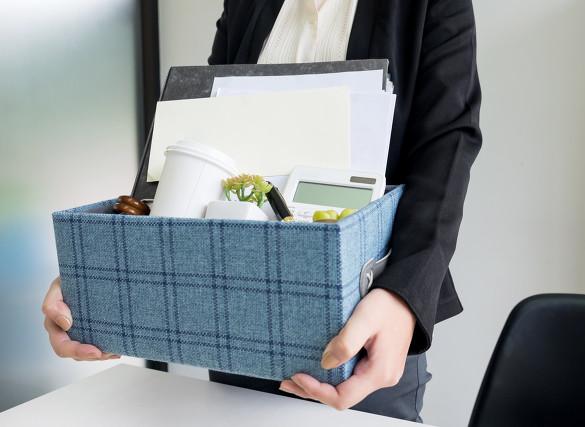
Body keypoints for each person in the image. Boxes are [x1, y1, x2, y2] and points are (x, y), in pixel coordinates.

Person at [42, 0, 481, 422]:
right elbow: (207, 145)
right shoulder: (244, 4)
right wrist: (104, 269)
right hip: (240, 323)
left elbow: (448, 143)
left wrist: (403, 296)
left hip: (366, 329)